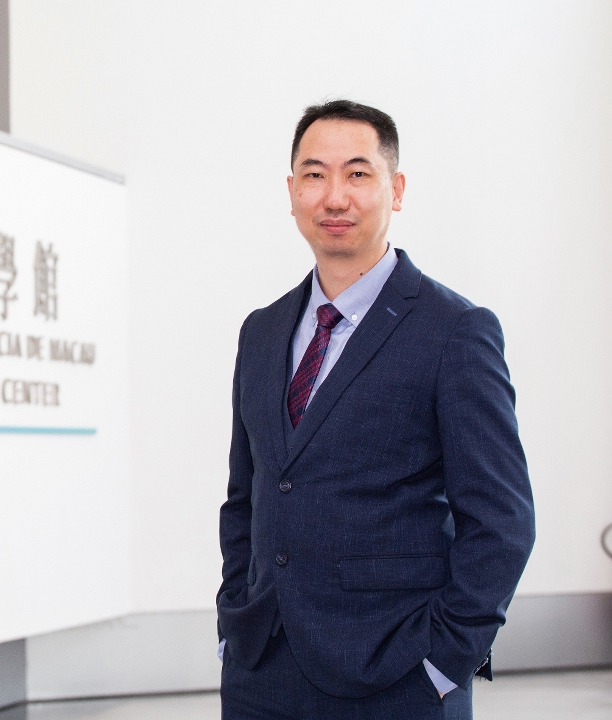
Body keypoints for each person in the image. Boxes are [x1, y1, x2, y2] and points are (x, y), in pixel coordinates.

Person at [216, 100, 536, 720]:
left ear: (397, 190)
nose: (334, 196)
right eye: (314, 175)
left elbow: (502, 521)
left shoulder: (454, 330)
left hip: (395, 673)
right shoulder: (262, 332)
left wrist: (444, 663)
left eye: (358, 174)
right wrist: (234, 623)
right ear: (292, 192)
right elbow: (245, 497)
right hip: (261, 672)